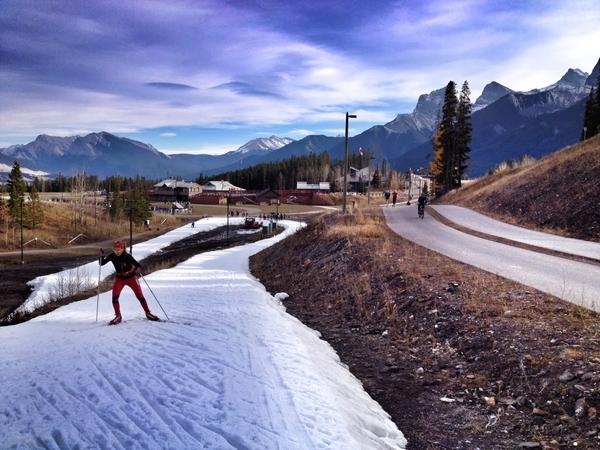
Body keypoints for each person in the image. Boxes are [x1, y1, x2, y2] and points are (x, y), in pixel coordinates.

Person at [100, 241, 159, 325]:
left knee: (140, 296)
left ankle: (148, 313)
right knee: (114, 297)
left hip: (131, 278)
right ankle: (118, 316)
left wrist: (136, 271)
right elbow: (101, 263)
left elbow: (138, 265)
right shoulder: (112, 256)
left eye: (119, 250)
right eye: (115, 249)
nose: (117, 252)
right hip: (120, 278)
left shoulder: (127, 256)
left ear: (123, 249)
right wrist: (101, 256)